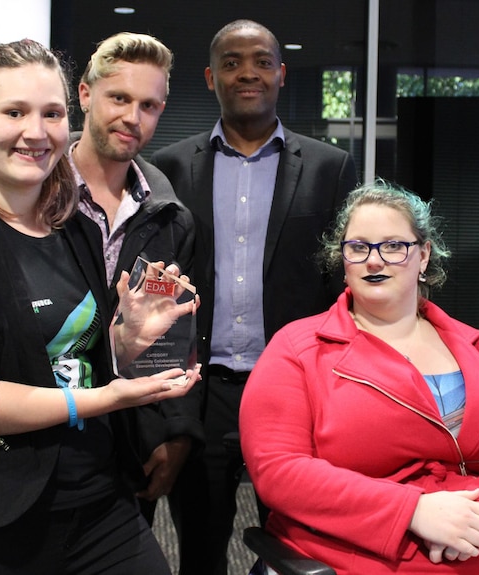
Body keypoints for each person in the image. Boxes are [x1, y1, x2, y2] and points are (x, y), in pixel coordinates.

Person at [0, 39, 199, 575]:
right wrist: (99, 400)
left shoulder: (73, 229)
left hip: (98, 503)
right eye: (14, 112)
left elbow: (70, 357)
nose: (36, 132)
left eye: (51, 113)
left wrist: (124, 342)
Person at [239, 179, 479, 575]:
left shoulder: (477, 347)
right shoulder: (298, 349)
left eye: (393, 246)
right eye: (359, 247)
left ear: (423, 255)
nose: (374, 261)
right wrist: (413, 511)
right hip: (359, 561)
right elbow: (279, 470)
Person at [151, 19, 358, 575]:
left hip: (294, 389)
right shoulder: (167, 168)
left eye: (262, 61)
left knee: (301, 548)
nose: (248, 72)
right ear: (210, 77)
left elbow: (345, 286)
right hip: (203, 389)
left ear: (281, 74)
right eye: (233, 62)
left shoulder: (329, 167)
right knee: (199, 546)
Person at [68, 32, 203, 526]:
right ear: (85, 94)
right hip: (40, 430)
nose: (132, 117)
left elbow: (175, 336)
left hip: (127, 446)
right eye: (119, 98)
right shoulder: (36, 199)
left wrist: (174, 433)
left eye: (148, 105)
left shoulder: (171, 218)